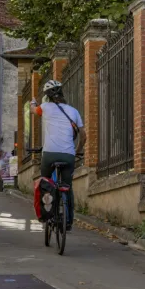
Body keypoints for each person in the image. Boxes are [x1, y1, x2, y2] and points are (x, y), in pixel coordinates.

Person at [31, 79, 85, 229]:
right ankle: (68, 221)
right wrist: (77, 151)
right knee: (68, 186)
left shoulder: (45, 107)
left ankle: (47, 213)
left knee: (46, 182)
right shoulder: (73, 111)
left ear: (47, 96)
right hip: (68, 155)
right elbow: (83, 135)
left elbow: (34, 111)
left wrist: (32, 103)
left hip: (49, 155)